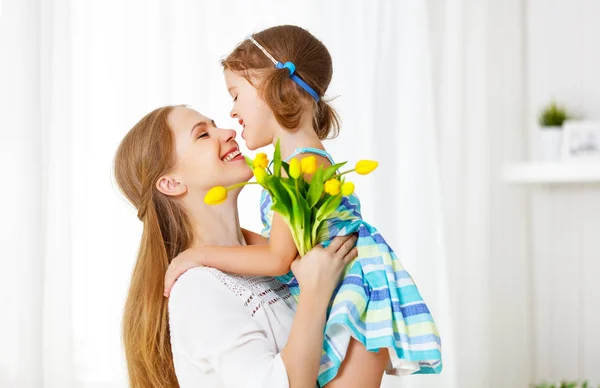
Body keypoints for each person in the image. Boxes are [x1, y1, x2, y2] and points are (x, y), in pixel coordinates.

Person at [164, 25, 443, 387]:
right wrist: (232, 241)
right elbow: (293, 247)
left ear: (269, 87)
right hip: (351, 284)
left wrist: (196, 255)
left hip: (355, 292)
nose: (232, 112)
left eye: (235, 95)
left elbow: (278, 259)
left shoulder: (299, 166)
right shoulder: (300, 159)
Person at [114, 105, 358, 387]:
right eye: (203, 135)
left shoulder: (274, 262)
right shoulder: (197, 288)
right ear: (171, 183)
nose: (228, 132)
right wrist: (316, 292)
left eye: (215, 125)